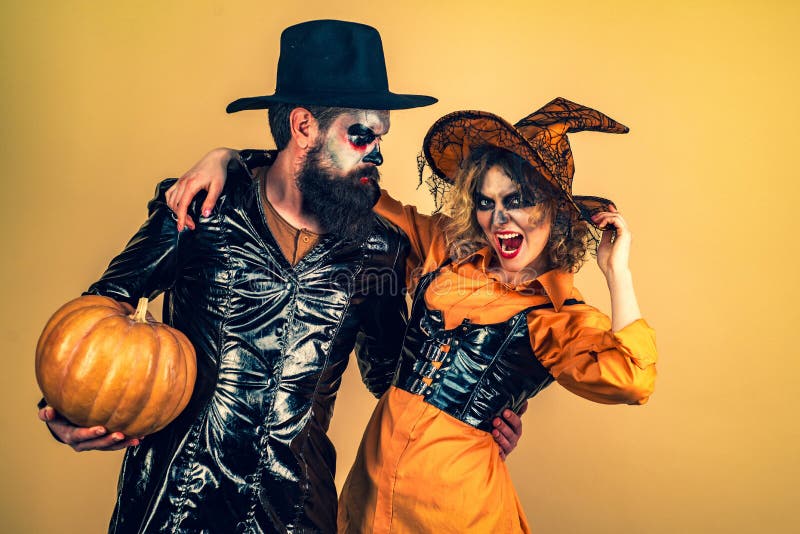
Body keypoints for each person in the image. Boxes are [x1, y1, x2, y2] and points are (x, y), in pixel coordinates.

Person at [36, 19, 521, 533]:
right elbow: (101, 310)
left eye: (381, 138)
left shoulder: (379, 248)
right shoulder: (202, 207)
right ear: (303, 126)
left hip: (295, 515)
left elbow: (395, 378)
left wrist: (476, 407)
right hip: (172, 511)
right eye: (360, 135)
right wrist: (68, 404)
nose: (376, 154)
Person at [168, 97, 658, 532]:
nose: (499, 218)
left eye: (518, 201)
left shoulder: (559, 318)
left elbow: (633, 379)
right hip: (373, 494)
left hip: (457, 511)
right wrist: (230, 160)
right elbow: (349, 187)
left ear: (556, 210)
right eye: (486, 202)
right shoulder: (447, 250)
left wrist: (617, 273)